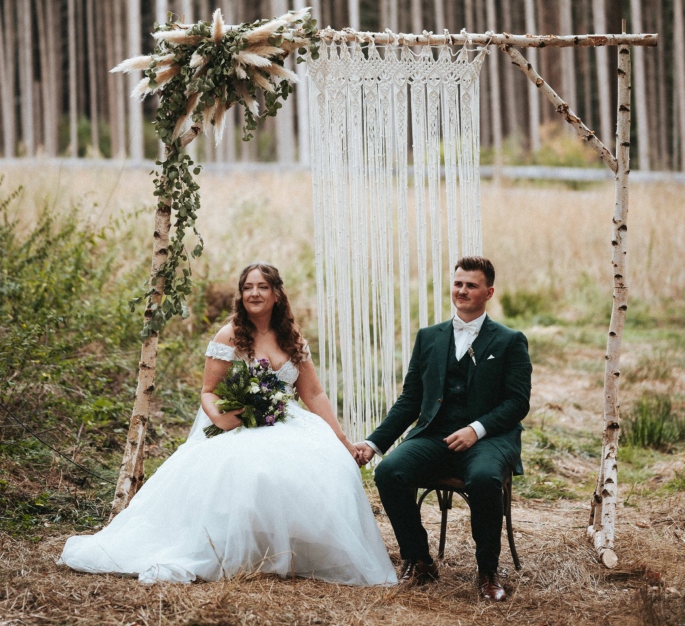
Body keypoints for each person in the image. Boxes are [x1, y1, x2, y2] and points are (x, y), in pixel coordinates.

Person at [59, 263, 396, 587]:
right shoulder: (230, 335)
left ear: (277, 294)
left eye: (262, 287)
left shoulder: (291, 337)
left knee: (327, 462)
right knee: (246, 467)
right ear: (240, 294)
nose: (254, 293)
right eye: (248, 287)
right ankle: (230, 548)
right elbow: (208, 391)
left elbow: (314, 393)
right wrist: (222, 419)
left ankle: (292, 549)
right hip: (239, 422)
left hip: (286, 420)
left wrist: (342, 441)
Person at [355, 256, 531, 601]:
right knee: (389, 472)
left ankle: (488, 572)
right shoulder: (429, 337)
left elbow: (517, 402)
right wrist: (374, 444)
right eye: (458, 283)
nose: (462, 290)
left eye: (471, 285)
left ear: (489, 292)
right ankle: (419, 559)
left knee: (484, 479)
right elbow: (411, 400)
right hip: (435, 435)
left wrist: (476, 429)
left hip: (488, 440)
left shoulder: (510, 340)